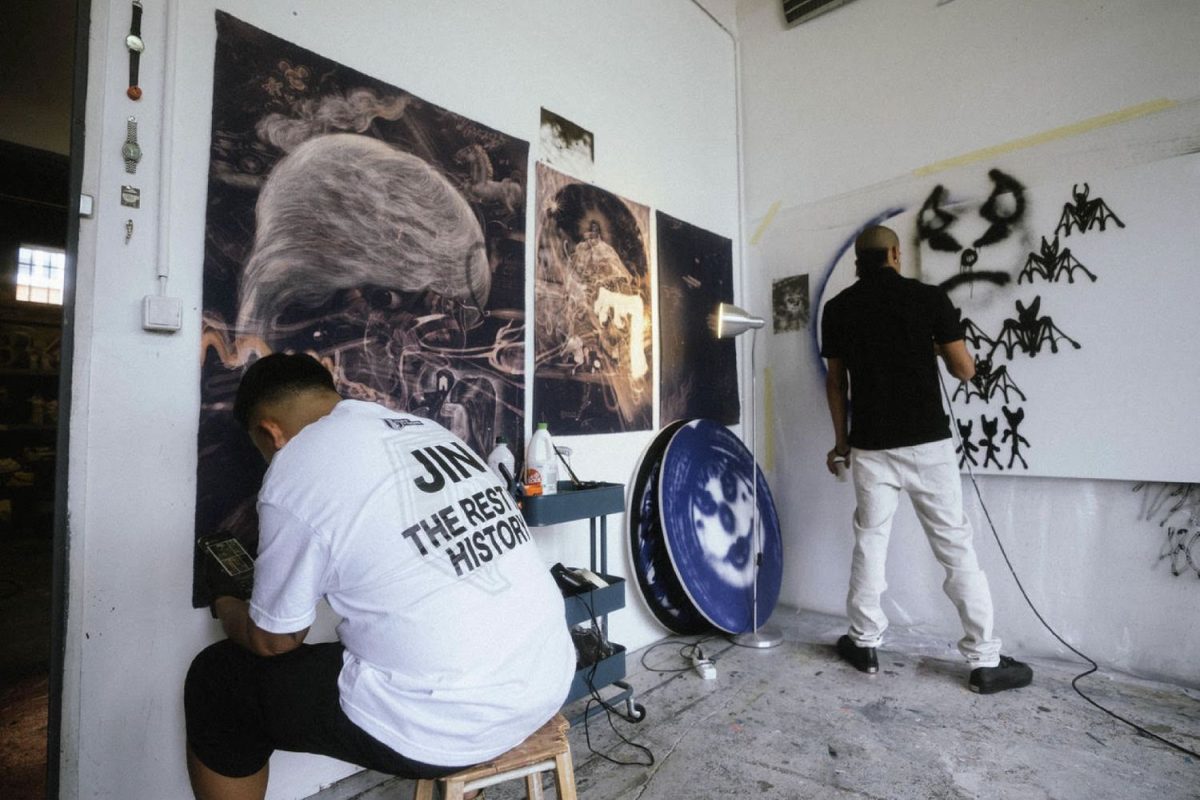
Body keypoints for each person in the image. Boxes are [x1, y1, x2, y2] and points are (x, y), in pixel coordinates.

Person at [185, 353, 575, 799]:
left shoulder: (294, 468)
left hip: (457, 723)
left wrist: (226, 600)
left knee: (216, 681)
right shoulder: (427, 430)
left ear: (269, 432)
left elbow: (276, 641)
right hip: (545, 679)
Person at [820, 225, 1032, 695]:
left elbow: (837, 382)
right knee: (955, 546)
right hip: (927, 446)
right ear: (895, 254)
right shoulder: (928, 298)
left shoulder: (838, 309)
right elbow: (964, 370)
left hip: (870, 447)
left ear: (859, 261)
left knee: (870, 542)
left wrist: (841, 442)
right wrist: (935, 345)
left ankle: (864, 643)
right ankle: (985, 660)